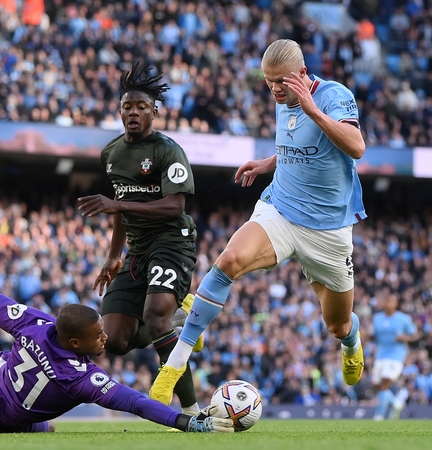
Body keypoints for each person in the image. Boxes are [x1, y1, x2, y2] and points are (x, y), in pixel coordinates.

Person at [150, 38, 368, 404]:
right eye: (269, 84)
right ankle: (173, 366)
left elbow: (356, 146)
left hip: (328, 228)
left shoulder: (332, 95)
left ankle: (352, 341)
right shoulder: (281, 99)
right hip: (280, 209)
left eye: (282, 82)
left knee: (337, 324)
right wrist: (270, 163)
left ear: (302, 73)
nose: (276, 91)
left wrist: (313, 109)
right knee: (229, 260)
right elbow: (298, 146)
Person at [0, 202, 233, 434]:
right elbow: (135, 402)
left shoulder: (35, 323)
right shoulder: (79, 378)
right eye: (98, 336)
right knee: (44, 430)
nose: (105, 338)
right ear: (74, 342)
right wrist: (187, 422)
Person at [76, 62, 202, 416]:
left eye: (141, 107)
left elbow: (176, 207)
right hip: (137, 248)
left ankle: (191, 412)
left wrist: (115, 203)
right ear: (119, 112)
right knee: (112, 340)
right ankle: (180, 316)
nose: (133, 112)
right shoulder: (111, 153)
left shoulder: (167, 151)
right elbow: (120, 212)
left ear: (154, 112)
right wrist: (114, 255)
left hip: (172, 240)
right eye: (127, 107)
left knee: (155, 317)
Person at [371, 292, 419, 420]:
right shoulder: (377, 318)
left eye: (391, 301)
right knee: (377, 385)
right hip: (380, 355)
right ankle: (395, 403)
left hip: (395, 356)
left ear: (396, 304)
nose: (388, 303)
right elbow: (374, 335)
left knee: (385, 382)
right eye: (387, 301)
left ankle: (379, 416)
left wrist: (405, 338)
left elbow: (415, 335)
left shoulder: (403, 319)